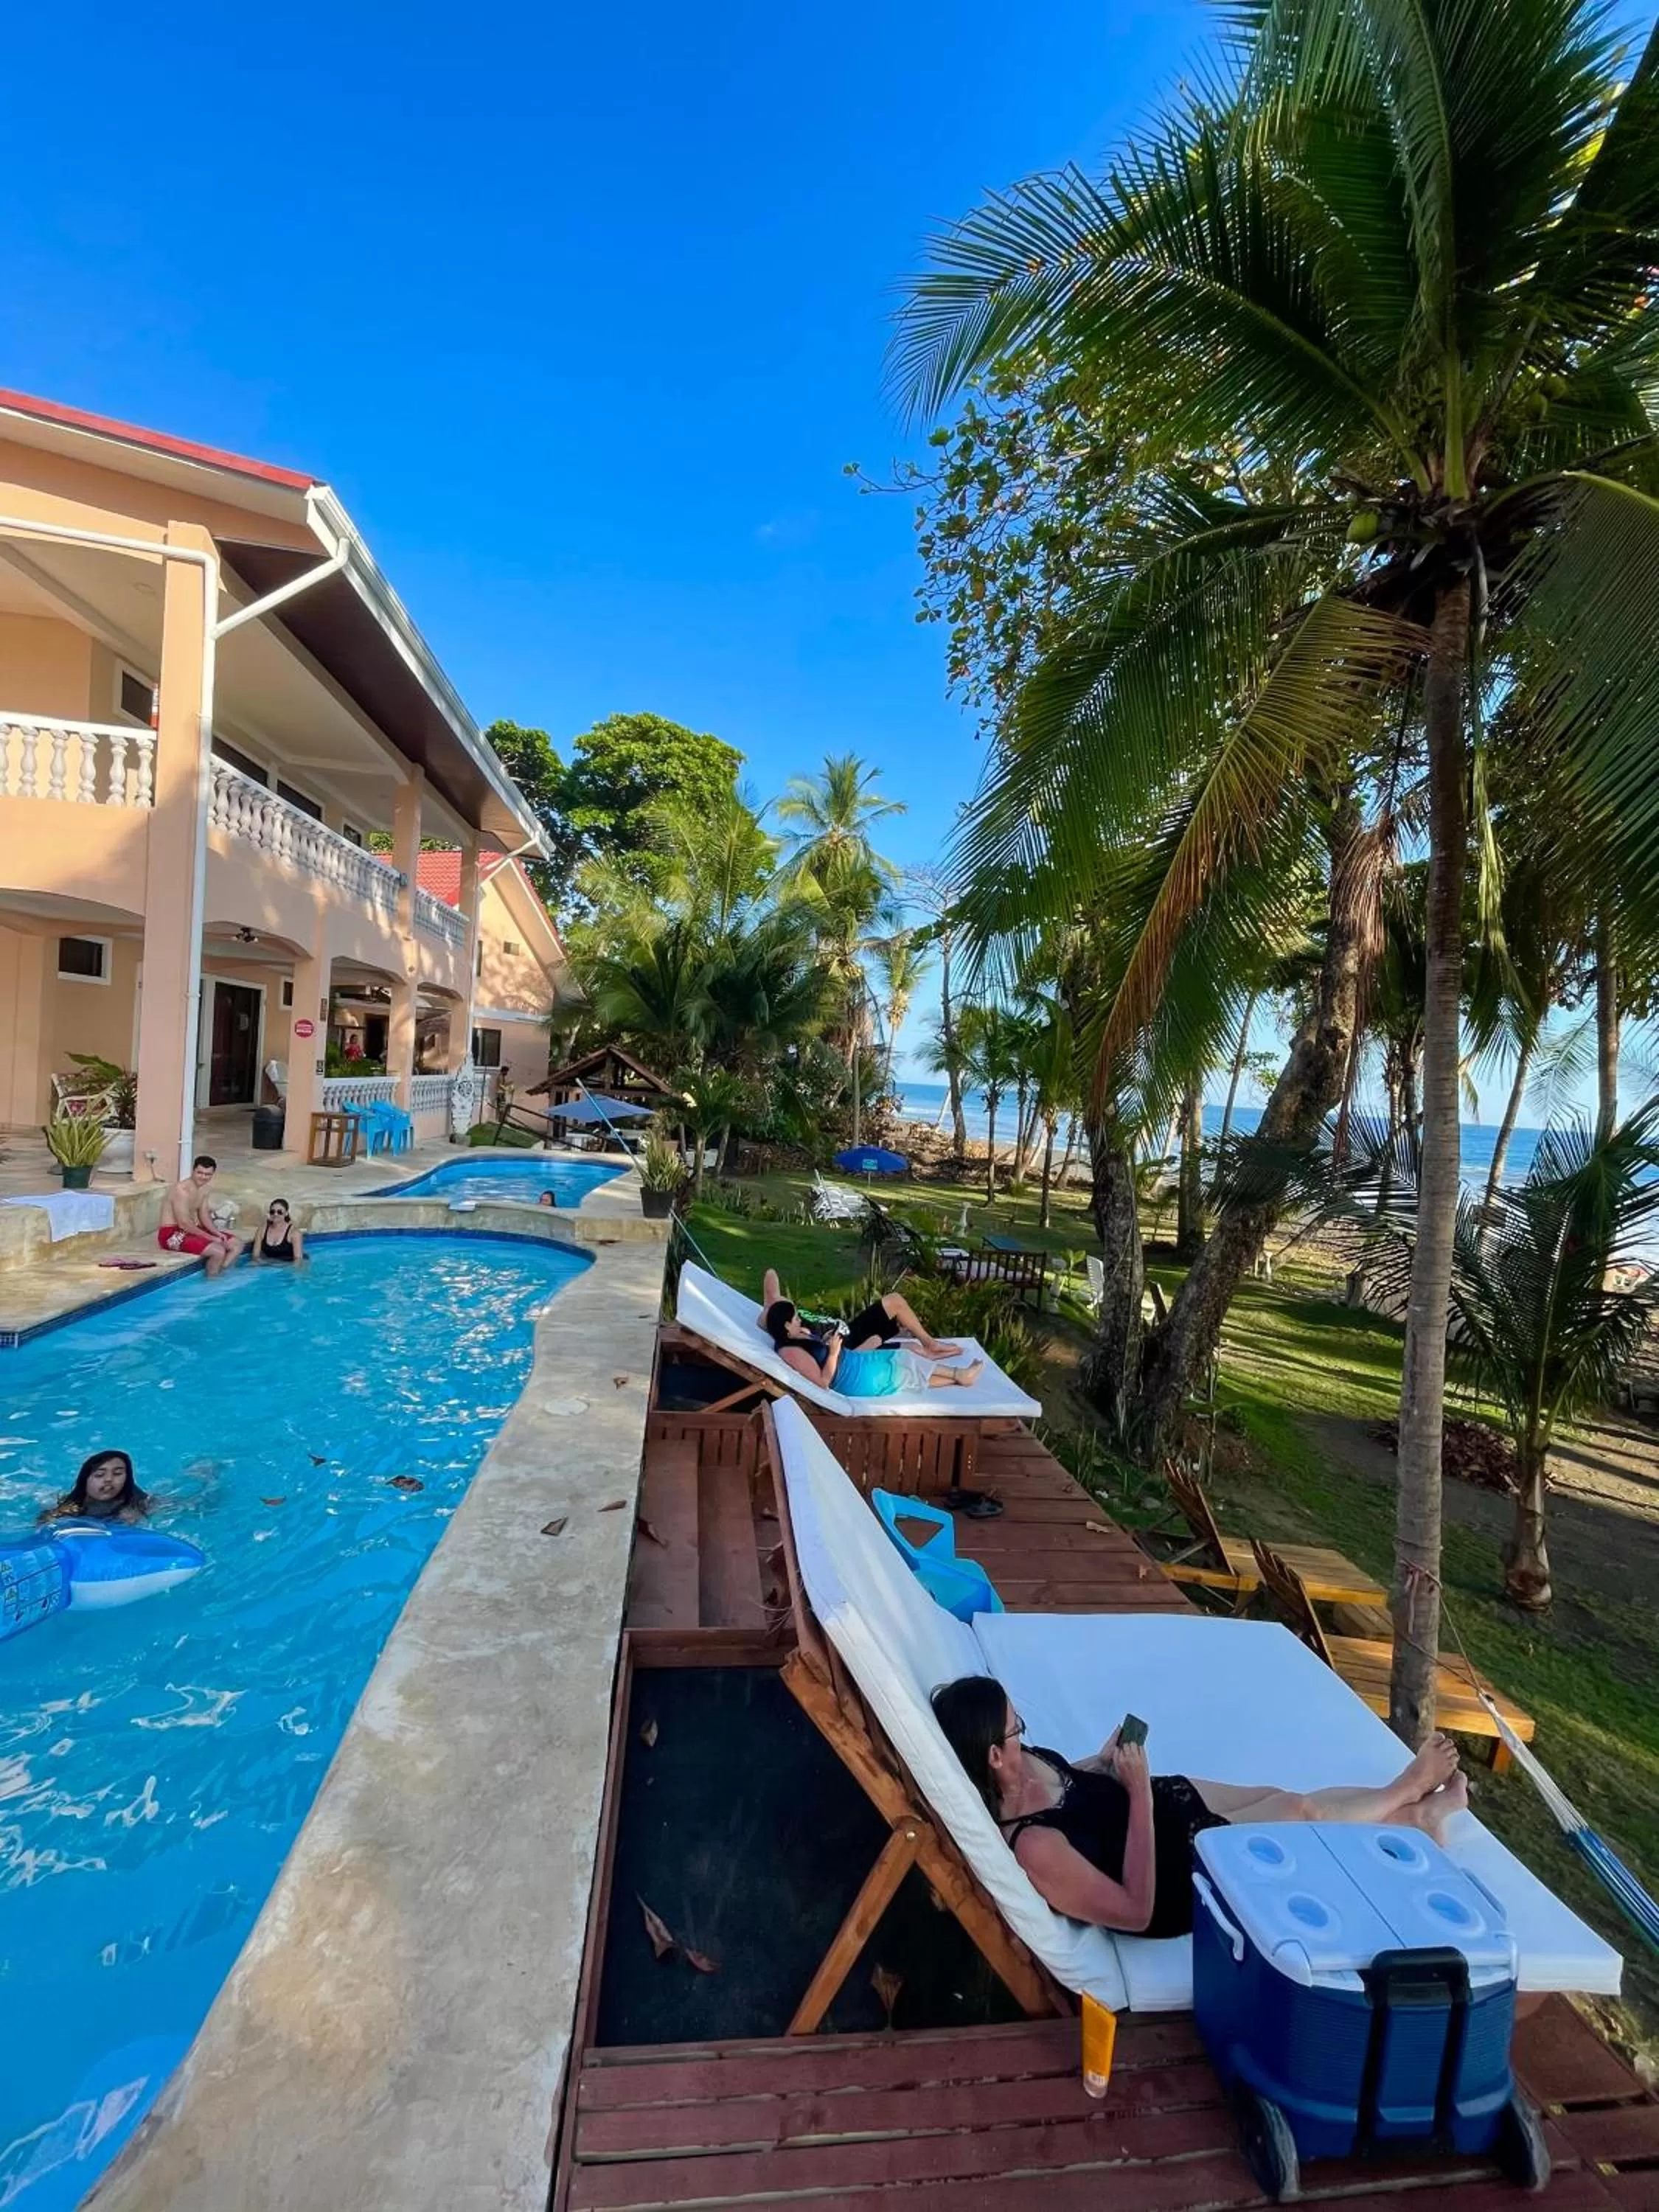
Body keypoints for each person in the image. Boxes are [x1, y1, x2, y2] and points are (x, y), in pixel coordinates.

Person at [931, 1676, 1470, 1940]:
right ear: (994, 1755)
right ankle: (1408, 1788)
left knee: (1276, 1796)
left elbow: (1070, 1784)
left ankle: (1416, 1821)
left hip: (1156, 1804)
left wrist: (1103, 1762)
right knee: (1301, 1812)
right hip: (1175, 1872)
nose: (1026, 1736)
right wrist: (1138, 1793)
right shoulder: (1034, 1845)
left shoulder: (1024, 1764)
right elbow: (1134, 1911)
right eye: (1016, 1730)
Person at [759, 1270, 983, 1393]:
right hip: (850, 1359)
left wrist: (825, 1340)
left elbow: (771, 1274)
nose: (799, 1317)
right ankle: (958, 1375)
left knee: (904, 1368)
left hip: (848, 1352)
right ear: (786, 1325)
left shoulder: (797, 1334)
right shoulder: (790, 1350)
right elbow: (822, 1382)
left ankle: (958, 1377)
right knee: (906, 1359)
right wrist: (836, 1352)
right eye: (795, 1317)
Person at [158, 1156, 242, 1276]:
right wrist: (210, 1237)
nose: (203, 1177)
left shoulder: (204, 1189)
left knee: (236, 1245)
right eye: (200, 1173)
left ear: (212, 1175)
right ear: (193, 1171)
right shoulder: (182, 1190)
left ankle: (221, 1272)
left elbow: (204, 1215)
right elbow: (184, 1223)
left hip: (190, 1230)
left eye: (207, 1175)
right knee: (218, 1251)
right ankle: (211, 1282)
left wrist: (216, 1233)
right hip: (171, 1234)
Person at [40, 1448, 151, 1526]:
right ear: (85, 1481)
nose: (109, 1479)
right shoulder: (67, 1509)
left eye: (117, 1474)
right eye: (99, 1475)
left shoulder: (141, 1504)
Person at [250, 1198, 305, 1263]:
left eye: (280, 1212)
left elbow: (298, 1260)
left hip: (286, 1266)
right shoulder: (262, 1230)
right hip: (267, 1265)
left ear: (286, 1213)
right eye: (272, 1212)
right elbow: (255, 1256)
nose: (275, 1214)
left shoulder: (294, 1233)